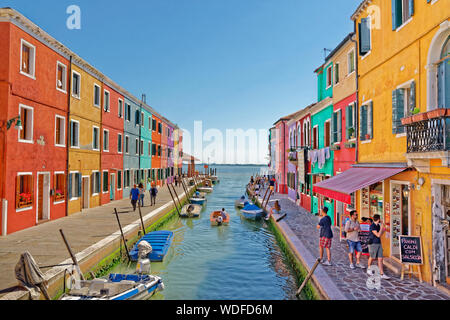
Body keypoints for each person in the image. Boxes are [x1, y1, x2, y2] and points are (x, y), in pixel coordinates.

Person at [367, 214, 390, 279]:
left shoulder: (377, 226)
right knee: (372, 257)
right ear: (379, 219)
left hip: (378, 243)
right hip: (373, 243)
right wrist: (382, 227)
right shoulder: (373, 226)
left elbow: (380, 234)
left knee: (380, 258)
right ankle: (369, 269)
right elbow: (378, 235)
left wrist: (383, 230)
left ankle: (382, 274)